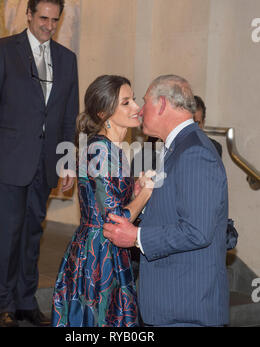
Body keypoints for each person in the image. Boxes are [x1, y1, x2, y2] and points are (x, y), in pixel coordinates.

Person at [0, 0, 79, 327]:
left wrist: (67, 162)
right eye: (43, 18)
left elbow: (67, 119)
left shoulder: (67, 60)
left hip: (45, 163)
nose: (49, 26)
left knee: (33, 234)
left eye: (54, 20)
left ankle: (25, 301)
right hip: (7, 162)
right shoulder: (4, 50)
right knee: (8, 235)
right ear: (29, 15)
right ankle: (3, 304)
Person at [103, 75, 230, 327]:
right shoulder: (179, 147)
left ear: (161, 104)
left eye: (145, 102)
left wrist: (136, 237)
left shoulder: (193, 152)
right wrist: (148, 199)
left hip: (186, 307)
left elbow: (197, 231)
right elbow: (179, 210)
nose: (140, 110)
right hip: (174, 304)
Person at [52, 75, 154, 327]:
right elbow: (115, 219)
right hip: (100, 254)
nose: (137, 108)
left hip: (105, 248)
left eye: (133, 100)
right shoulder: (100, 151)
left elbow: (111, 201)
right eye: (126, 103)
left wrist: (136, 190)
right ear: (104, 113)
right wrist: (146, 193)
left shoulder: (110, 149)